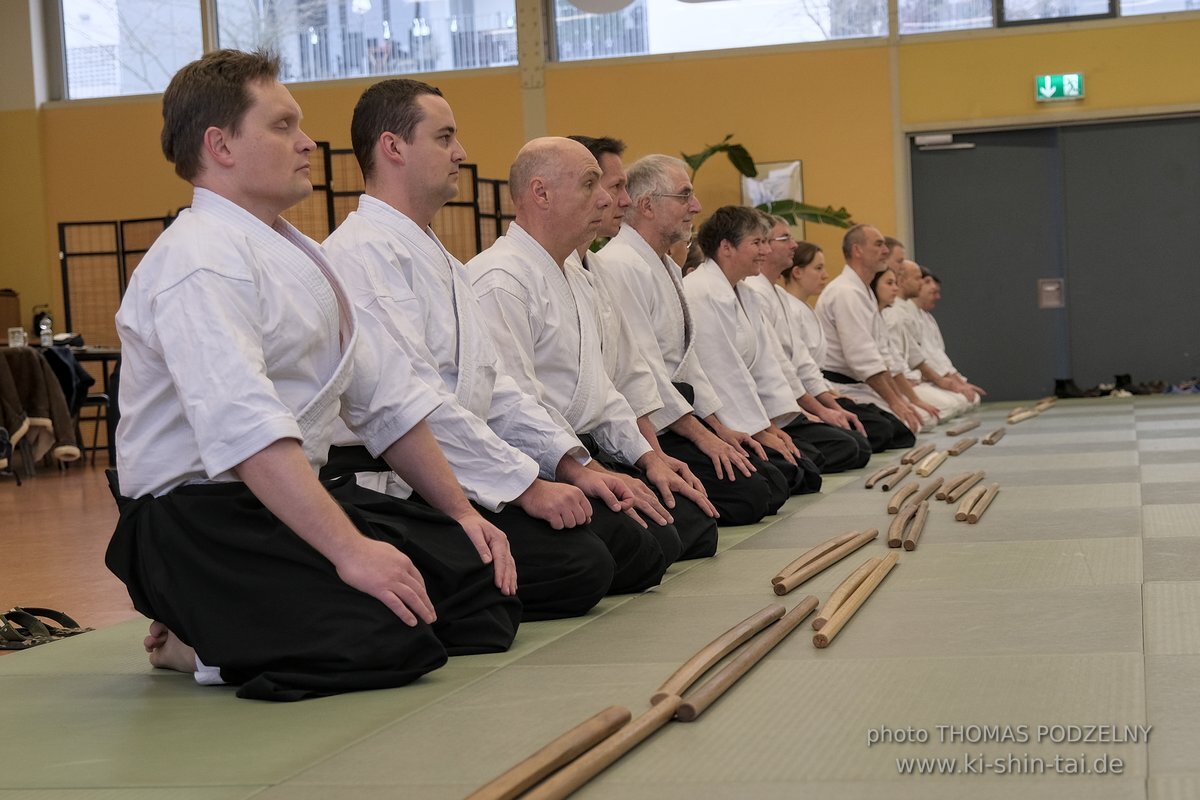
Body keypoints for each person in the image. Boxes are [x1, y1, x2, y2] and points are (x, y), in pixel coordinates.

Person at [105, 50, 521, 701]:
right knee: (386, 639)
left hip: (284, 494)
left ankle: (244, 620)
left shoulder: (299, 257)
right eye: (282, 127)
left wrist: (461, 512)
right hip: (194, 521)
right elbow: (247, 432)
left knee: (481, 587)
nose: (306, 143)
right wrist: (352, 551)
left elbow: (387, 403)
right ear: (220, 145)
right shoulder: (199, 259)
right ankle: (198, 646)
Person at [323, 78, 661, 618]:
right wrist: (525, 485)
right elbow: (416, 406)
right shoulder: (359, 256)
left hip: (466, 468)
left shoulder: (443, 262)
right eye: (445, 138)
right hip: (389, 481)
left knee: (633, 547)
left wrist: (570, 465)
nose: (461, 154)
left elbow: (496, 389)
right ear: (393, 147)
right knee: (583, 566)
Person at [468, 137, 690, 584]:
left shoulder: (575, 276)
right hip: (529, 463)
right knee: (616, 559)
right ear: (541, 193)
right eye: (591, 185)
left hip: (580, 448)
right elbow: (509, 403)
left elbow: (605, 390)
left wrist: (647, 457)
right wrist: (580, 467)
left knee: (675, 532)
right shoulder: (500, 278)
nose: (608, 200)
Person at [595, 153, 788, 517]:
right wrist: (700, 436)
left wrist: (719, 428)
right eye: (685, 196)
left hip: (679, 413)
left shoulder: (665, 264)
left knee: (777, 481)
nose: (696, 207)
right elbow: (643, 372)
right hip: (652, 424)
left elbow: (691, 365)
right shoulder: (621, 264)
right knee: (754, 494)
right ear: (648, 205)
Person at [563, 135, 718, 559]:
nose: (623, 199)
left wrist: (653, 458)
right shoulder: (505, 278)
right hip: (560, 454)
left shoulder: (592, 273)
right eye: (613, 187)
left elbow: (630, 378)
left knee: (697, 528)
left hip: (625, 434)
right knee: (652, 546)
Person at [683, 206, 823, 495]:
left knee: (805, 470)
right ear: (726, 247)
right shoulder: (701, 291)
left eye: (766, 242)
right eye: (757, 243)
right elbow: (722, 372)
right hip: (711, 418)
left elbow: (766, 367)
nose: (765, 250)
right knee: (774, 483)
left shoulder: (746, 294)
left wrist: (771, 426)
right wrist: (758, 430)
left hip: (744, 413)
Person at [743, 215, 871, 472]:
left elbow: (801, 365)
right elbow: (773, 369)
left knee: (860, 443)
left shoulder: (778, 295)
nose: (794, 245)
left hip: (796, 401)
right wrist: (810, 411)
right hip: (772, 409)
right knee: (844, 449)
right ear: (764, 246)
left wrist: (827, 407)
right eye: (786, 238)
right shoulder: (754, 293)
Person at [814, 224, 921, 450]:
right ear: (857, 250)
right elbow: (862, 357)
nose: (885, 251)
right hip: (842, 387)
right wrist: (896, 402)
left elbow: (880, 355)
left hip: (862, 386)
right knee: (888, 431)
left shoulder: (863, 292)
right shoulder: (846, 292)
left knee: (905, 430)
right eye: (879, 244)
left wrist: (900, 400)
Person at [883, 259, 971, 419]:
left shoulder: (907, 314)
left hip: (913, 381)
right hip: (899, 384)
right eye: (918, 279)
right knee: (937, 412)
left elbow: (919, 356)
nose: (921, 283)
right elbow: (890, 365)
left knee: (960, 402)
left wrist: (950, 379)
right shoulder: (891, 315)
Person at [869, 266, 942, 429]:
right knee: (921, 420)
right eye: (890, 283)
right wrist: (903, 399)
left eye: (895, 283)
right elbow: (884, 369)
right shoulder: (887, 317)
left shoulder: (883, 316)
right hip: (875, 388)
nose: (895, 288)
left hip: (902, 384)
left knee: (925, 418)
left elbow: (897, 361)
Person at [914, 270, 986, 405]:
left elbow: (938, 356)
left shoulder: (927, 318)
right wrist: (945, 382)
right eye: (933, 293)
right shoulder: (900, 315)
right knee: (954, 404)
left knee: (970, 398)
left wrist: (960, 382)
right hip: (919, 381)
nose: (938, 297)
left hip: (931, 379)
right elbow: (922, 359)